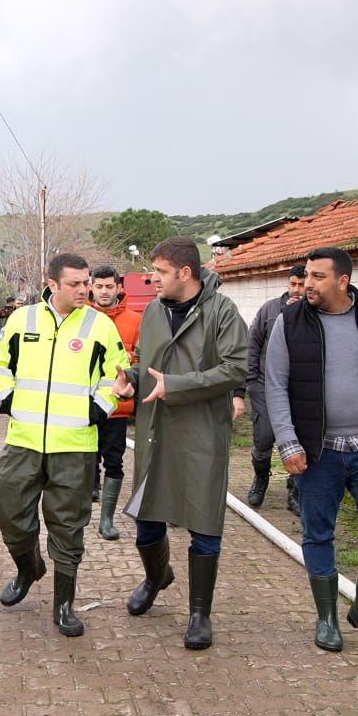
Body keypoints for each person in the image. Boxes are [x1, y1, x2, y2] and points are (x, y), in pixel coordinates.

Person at [263, 246, 358, 656]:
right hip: (317, 450)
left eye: (318, 276)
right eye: (306, 275)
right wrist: (288, 442)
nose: (307, 283)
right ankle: (327, 615)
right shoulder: (289, 321)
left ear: (342, 281)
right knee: (318, 532)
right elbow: (275, 385)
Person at [110, 236, 249, 650]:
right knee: (146, 521)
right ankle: (156, 577)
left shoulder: (222, 311)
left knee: (204, 526)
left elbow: (235, 368)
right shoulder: (152, 310)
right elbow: (148, 365)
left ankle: (199, 613)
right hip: (156, 430)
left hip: (202, 432)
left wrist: (177, 386)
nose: (153, 279)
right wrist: (130, 380)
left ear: (185, 273)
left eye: (161, 273)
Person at [0, 253, 129, 636]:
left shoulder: (99, 326)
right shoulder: (22, 320)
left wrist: (98, 409)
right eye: (75, 284)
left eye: (86, 282)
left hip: (75, 445)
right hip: (24, 441)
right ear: (52, 285)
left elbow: (114, 376)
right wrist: (8, 399)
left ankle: (64, 604)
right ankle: (28, 568)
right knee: (11, 511)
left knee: (67, 527)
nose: (84, 290)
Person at [246, 264, 309, 510]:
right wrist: (251, 381)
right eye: (293, 284)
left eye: (301, 285)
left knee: (299, 440)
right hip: (265, 385)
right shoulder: (270, 310)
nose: (297, 289)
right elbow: (253, 344)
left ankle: (294, 489)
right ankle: (261, 476)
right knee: (263, 438)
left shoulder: (314, 312)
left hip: (300, 390)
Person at [87, 264, 143, 539]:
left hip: (117, 409)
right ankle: (83, 510)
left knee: (115, 462)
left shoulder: (135, 321)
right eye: (99, 286)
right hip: (84, 406)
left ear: (119, 288)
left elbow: (142, 362)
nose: (104, 291)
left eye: (109, 286)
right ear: (91, 287)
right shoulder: (80, 317)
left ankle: (106, 520)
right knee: (85, 460)